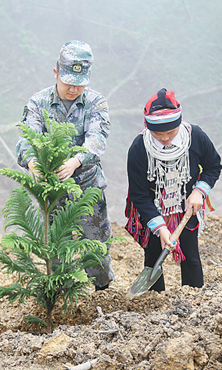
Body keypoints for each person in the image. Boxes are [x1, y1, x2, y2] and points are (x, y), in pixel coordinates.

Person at [16, 40, 114, 291]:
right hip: (54, 189)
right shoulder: (39, 102)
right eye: (69, 82)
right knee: (56, 248)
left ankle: (101, 292)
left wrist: (75, 162)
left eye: (79, 84)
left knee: (96, 244)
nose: (73, 89)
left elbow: (97, 138)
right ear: (56, 72)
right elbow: (27, 138)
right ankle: (59, 295)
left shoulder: (96, 102)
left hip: (87, 187)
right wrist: (33, 163)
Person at [125, 88, 221, 291]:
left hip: (187, 208)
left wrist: (199, 191)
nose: (165, 138)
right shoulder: (139, 148)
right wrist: (160, 228)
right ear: (148, 128)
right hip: (152, 209)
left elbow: (213, 165)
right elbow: (139, 194)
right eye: (159, 134)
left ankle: (194, 296)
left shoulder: (195, 136)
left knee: (191, 255)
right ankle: (153, 300)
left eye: (171, 132)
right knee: (152, 255)